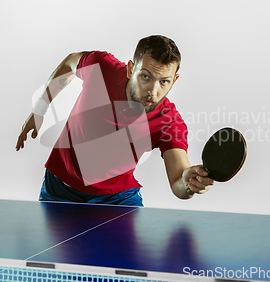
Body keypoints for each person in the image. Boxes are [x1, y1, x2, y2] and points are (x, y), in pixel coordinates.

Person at [16, 35, 214, 206]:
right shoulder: (102, 68)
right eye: (145, 76)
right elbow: (70, 62)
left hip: (116, 200)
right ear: (130, 69)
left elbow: (178, 181)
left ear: (174, 81)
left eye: (164, 81)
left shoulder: (168, 122)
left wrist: (189, 185)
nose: (153, 91)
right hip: (60, 190)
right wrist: (40, 109)